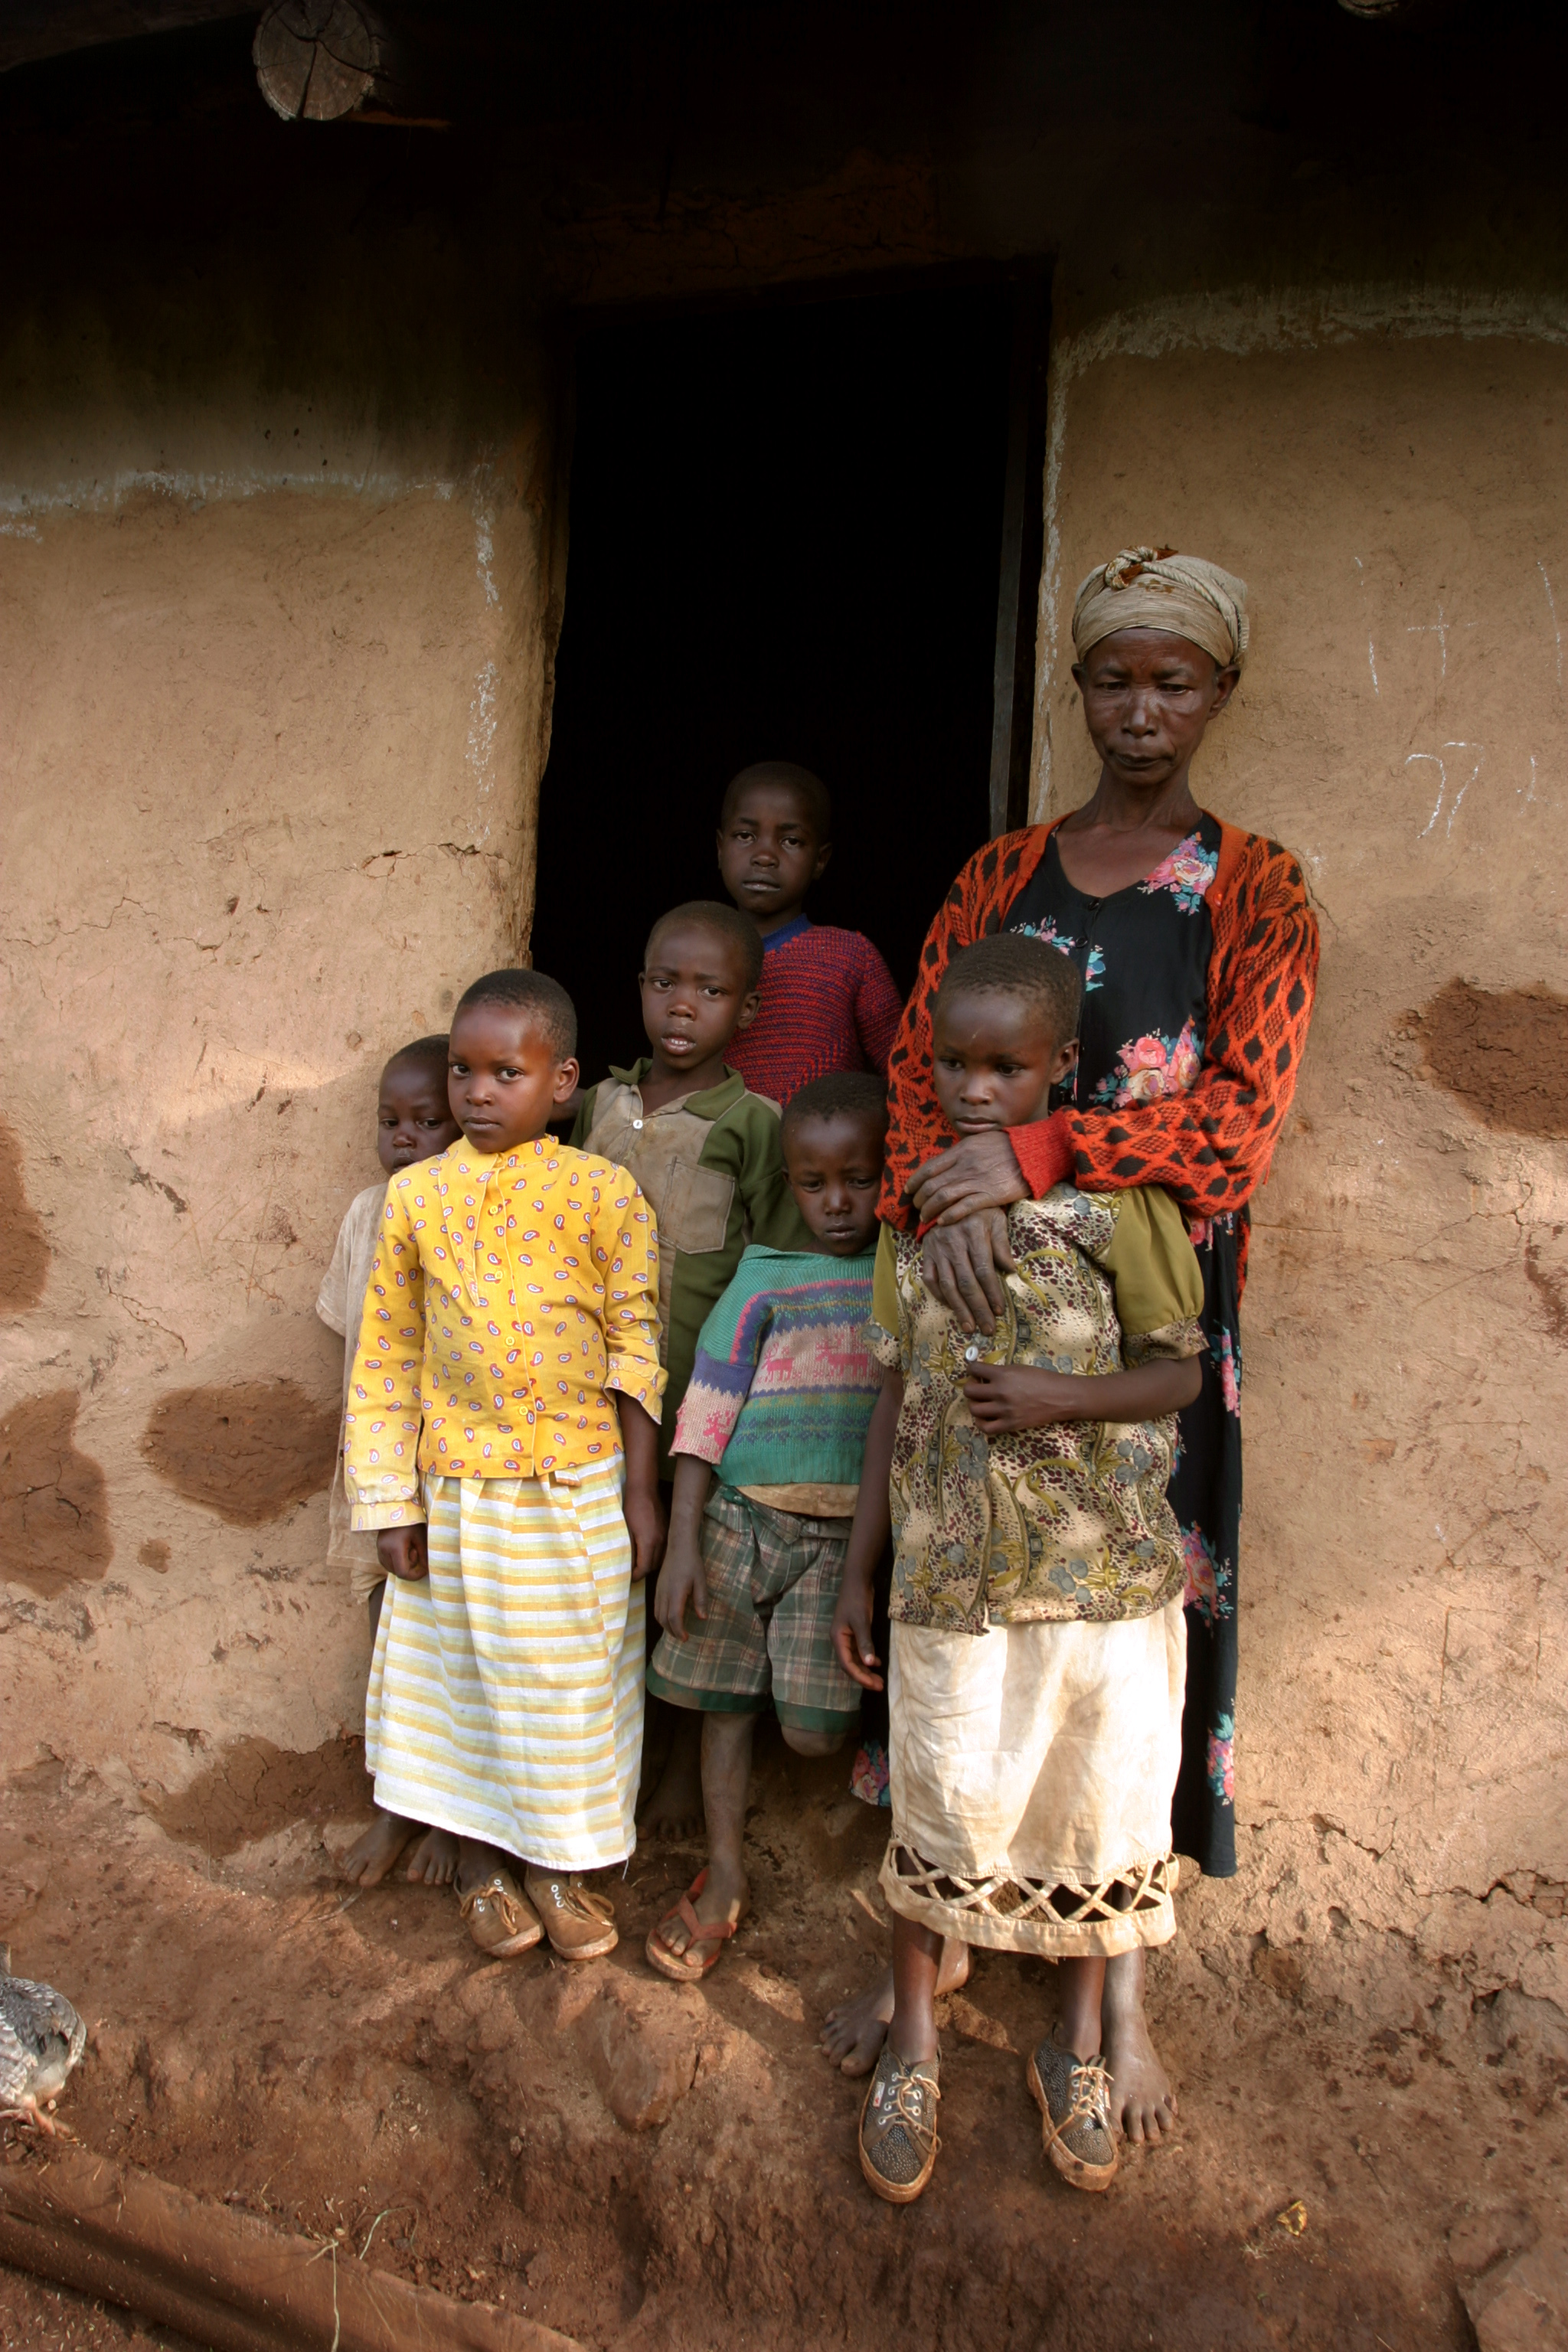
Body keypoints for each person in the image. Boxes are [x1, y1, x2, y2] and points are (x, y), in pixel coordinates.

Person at [822, 547, 1319, 2144]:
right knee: (971, 1647)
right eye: (1114, 676)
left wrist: (1037, 1163)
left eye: (1175, 680)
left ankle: (1113, 2007)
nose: (1141, 708)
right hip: (975, 1286)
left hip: (1140, 1297)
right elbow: (917, 1078)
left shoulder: (1257, 888)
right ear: (1078, 689)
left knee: (1128, 1668)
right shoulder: (994, 877)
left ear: (1220, 694)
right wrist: (936, 1205)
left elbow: (1235, 1127)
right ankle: (950, 1935)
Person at [831, 935, 1205, 2202]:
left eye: (1005, 1066)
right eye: (953, 1063)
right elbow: (891, 1397)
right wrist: (854, 1567)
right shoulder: (914, 1214)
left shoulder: (1121, 1207)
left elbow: (1179, 1368)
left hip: (1102, 1586)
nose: (975, 1089)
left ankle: (1078, 2046)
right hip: (949, 1583)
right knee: (937, 1798)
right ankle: (917, 2043)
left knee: (1098, 1808)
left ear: (1058, 1066)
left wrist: (1061, 1393)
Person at [344, 968, 666, 1961]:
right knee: (463, 1682)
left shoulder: (607, 1195)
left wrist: (641, 1493)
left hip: (575, 1493)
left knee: (568, 1685)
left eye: (505, 1073)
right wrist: (391, 1500)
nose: (477, 1093)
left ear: (561, 1082)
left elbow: (636, 1348)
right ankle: (482, 1867)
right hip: (457, 1496)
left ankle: (557, 1867)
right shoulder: (416, 1199)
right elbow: (387, 1355)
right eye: (462, 1071)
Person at [573, 900, 814, 1838]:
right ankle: (606, 1763)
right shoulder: (596, 1105)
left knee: (689, 1577)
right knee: (607, 1575)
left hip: (698, 1402)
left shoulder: (754, 1125)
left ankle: (676, 1761)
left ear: (745, 1012)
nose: (682, 1006)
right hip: (585, 1394)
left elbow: (778, 1270)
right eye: (665, 982)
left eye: (710, 990)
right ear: (637, 988)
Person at [642, 1072, 887, 1981]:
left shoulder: (901, 1277)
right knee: (721, 1706)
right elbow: (706, 1408)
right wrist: (681, 1541)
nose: (834, 1203)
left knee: (816, 1732)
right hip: (737, 1526)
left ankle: (816, 1826)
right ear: (785, 1183)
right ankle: (727, 1873)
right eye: (813, 1183)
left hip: (838, 1542)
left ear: (885, 1173)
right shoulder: (760, 1279)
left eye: (857, 1180)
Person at [325, 1036, 462, 1891]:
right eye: (389, 1121)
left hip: (454, 1468)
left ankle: (451, 1811)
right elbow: (349, 1331)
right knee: (388, 1637)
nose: (404, 1136)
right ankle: (396, 1802)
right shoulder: (365, 1214)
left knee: (454, 1637)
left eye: (425, 1121)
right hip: (383, 1465)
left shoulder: (478, 1215)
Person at [716, 762, 902, 1103]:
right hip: (712, 1152)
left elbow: (907, 1076)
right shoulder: (694, 955)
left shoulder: (851, 958)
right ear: (720, 847)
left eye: (790, 840)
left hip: (820, 1154)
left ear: (820, 859)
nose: (764, 856)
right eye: (745, 836)